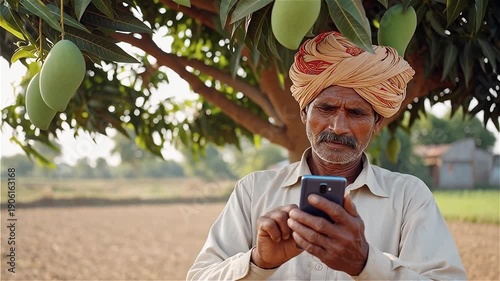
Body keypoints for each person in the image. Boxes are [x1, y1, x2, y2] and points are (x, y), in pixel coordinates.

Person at [187, 32, 466, 280]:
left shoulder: (408, 197)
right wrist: (259, 262)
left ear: (377, 124)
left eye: (356, 113)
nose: (338, 127)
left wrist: (365, 263)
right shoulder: (254, 190)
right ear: (303, 115)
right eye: (326, 108)